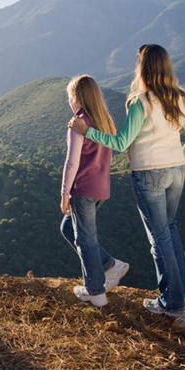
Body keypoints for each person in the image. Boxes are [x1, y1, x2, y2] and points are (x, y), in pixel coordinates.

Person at [69, 44, 185, 327]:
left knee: (159, 239)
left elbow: (120, 143)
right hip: (176, 172)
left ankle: (173, 304)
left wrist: (87, 131)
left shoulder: (141, 102)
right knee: (171, 230)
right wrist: (180, 159)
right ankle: (178, 292)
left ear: (143, 69)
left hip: (149, 173)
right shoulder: (180, 98)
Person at [60, 75, 130, 308]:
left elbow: (72, 162)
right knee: (68, 227)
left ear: (76, 97)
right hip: (101, 189)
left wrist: (64, 193)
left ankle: (95, 291)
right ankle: (110, 265)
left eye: (69, 97)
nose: (69, 102)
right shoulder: (103, 120)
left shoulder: (78, 124)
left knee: (85, 240)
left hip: (83, 188)